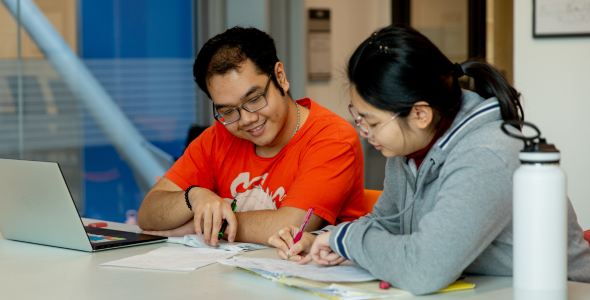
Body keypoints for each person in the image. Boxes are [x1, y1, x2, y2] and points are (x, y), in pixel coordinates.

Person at [268, 24, 590, 295]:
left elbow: (425, 270)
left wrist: (348, 239)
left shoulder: (486, 154)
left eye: (373, 122)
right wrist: (328, 241)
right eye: (358, 117)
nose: (364, 132)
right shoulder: (409, 146)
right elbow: (386, 223)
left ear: (420, 114)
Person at [137, 27, 367, 247]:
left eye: (255, 99)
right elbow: (148, 213)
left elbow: (290, 228)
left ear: (280, 77)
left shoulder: (332, 137)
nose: (246, 120)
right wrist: (193, 197)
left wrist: (201, 226)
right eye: (228, 111)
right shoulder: (218, 137)